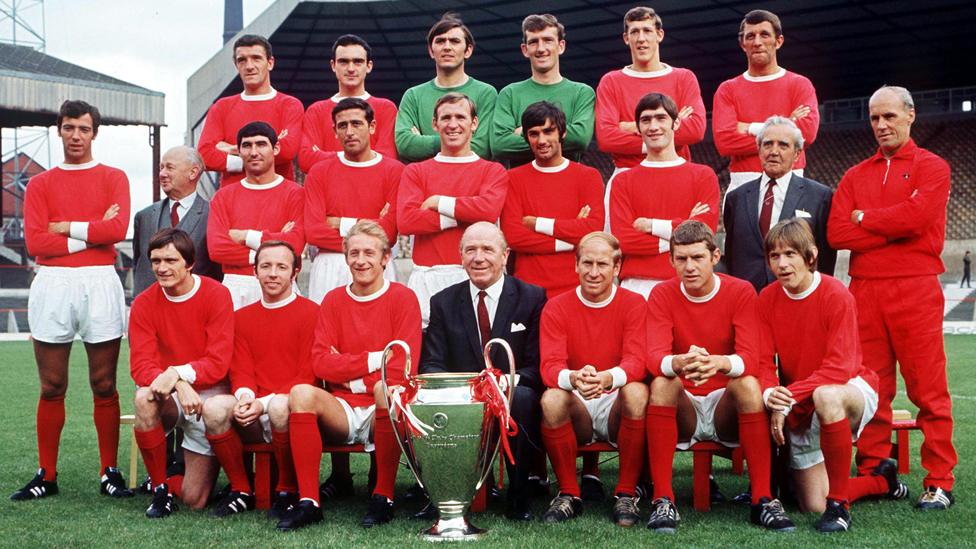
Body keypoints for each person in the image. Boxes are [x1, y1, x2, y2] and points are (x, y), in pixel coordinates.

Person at [828, 85, 957, 510]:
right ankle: (874, 469)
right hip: (863, 289)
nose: (881, 125)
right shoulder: (854, 175)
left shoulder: (932, 166)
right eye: (875, 118)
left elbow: (917, 219)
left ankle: (939, 479)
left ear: (910, 116)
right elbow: (836, 233)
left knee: (928, 389)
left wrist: (866, 219)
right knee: (871, 385)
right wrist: (891, 226)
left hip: (916, 285)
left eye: (889, 117)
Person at [14, 100, 133, 501]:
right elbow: (35, 243)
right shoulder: (41, 184)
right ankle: (46, 473)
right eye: (68, 128)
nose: (76, 136)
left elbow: (116, 229)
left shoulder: (114, 177)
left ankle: (109, 471)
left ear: (95, 132)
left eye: (83, 128)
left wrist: (64, 229)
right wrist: (91, 232)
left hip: (100, 280)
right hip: (53, 283)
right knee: (52, 385)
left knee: (103, 383)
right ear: (59, 131)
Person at [759, 219, 909, 533]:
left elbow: (840, 367)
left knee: (826, 394)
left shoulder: (835, 294)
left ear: (810, 256)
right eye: (774, 256)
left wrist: (789, 398)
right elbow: (761, 360)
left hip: (848, 390)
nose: (783, 263)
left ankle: (839, 506)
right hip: (800, 401)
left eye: (790, 254)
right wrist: (772, 392)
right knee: (812, 503)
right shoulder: (767, 298)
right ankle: (880, 481)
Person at [645, 220, 793, 533]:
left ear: (715, 256)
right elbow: (653, 358)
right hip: (683, 406)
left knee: (748, 383)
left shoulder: (739, 291)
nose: (689, 266)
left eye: (698, 257)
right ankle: (662, 500)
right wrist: (683, 361)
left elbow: (752, 357)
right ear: (671, 260)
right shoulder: (661, 293)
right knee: (661, 382)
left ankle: (763, 499)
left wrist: (718, 364)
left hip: (726, 406)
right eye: (681, 259)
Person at [278, 220, 422, 531]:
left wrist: (347, 371)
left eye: (369, 253)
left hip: (382, 406)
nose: (361, 260)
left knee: (386, 388)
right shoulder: (332, 300)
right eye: (353, 253)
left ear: (385, 258)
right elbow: (320, 364)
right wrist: (373, 359)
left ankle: (383, 495)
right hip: (342, 407)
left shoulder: (403, 298)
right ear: (345, 258)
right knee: (301, 393)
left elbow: (400, 368)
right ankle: (309, 501)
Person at [421, 222, 547, 521]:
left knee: (524, 398)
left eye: (488, 249)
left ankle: (519, 495)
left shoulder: (532, 297)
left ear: (505, 256)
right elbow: (432, 364)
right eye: (470, 250)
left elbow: (537, 363)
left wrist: (500, 383)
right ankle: (442, 491)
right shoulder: (443, 302)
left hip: (511, 391)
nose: (479, 258)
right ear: (460, 256)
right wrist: (464, 389)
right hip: (463, 397)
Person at [201, 240, 318, 519]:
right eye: (265, 266)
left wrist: (261, 403)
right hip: (254, 407)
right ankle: (241, 489)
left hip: (289, 409)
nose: (273, 273)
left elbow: (306, 376)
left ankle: (286, 489)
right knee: (215, 408)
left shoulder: (312, 312)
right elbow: (240, 370)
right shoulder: (241, 317)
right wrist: (244, 399)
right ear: (255, 272)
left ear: (295, 272)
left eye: (281, 267)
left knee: (279, 405)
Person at [538, 232, 648, 527]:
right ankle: (569, 494)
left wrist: (609, 377)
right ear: (576, 265)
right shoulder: (556, 306)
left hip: (615, 399)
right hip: (579, 400)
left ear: (617, 267)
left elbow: (637, 361)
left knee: (638, 392)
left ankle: (626, 492)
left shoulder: (634, 303)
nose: (594, 272)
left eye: (602, 264)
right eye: (587, 263)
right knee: (550, 398)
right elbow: (549, 366)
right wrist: (573, 377)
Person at [128, 228, 235, 518]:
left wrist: (177, 372)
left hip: (211, 396)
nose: (162, 268)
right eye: (156, 260)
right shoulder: (143, 303)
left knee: (194, 500)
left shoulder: (217, 294)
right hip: (173, 394)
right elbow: (140, 366)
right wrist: (178, 383)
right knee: (143, 398)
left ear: (189, 263)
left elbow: (218, 362)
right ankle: (160, 490)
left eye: (171, 260)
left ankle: (204, 477)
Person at [397, 93, 508, 326]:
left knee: (475, 355)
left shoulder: (492, 170)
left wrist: (439, 202)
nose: (453, 124)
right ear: (435, 124)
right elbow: (407, 221)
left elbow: (488, 211)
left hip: (473, 275)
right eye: (446, 117)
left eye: (461, 117)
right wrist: (465, 215)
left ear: (474, 123)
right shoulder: (416, 171)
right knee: (429, 356)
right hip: (427, 276)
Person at [596, 7, 706, 229]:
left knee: (678, 245)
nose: (641, 39)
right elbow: (606, 138)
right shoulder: (611, 81)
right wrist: (667, 133)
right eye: (634, 32)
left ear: (660, 35)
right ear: (626, 38)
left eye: (647, 30)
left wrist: (627, 127)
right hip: (626, 177)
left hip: (675, 172)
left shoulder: (683, 78)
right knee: (622, 246)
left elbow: (696, 129)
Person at [609, 93, 719, 299]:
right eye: (646, 120)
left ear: (676, 123)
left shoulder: (703, 175)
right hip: (637, 286)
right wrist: (684, 226)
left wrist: (651, 226)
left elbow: (704, 234)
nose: (653, 126)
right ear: (638, 127)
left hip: (687, 282)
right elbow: (624, 239)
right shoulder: (623, 181)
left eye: (661, 118)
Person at [712, 10, 819, 197]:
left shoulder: (799, 84)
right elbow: (724, 142)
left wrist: (749, 127)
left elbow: (807, 133)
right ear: (742, 44)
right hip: (742, 182)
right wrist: (787, 126)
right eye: (750, 36)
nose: (757, 42)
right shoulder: (727, 89)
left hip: (791, 179)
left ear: (778, 41)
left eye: (764, 35)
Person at [305, 98, 401, 304]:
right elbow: (313, 231)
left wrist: (338, 223)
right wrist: (373, 223)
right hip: (330, 265)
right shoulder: (319, 172)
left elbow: (389, 233)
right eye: (342, 125)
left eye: (356, 123)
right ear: (334, 131)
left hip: (376, 262)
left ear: (372, 126)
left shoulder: (393, 171)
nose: (349, 131)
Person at [724, 116, 835, 293]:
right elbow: (731, 254)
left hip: (797, 297)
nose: (774, 151)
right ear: (759, 149)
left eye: (783, 145)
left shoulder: (820, 196)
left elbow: (826, 258)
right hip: (747, 297)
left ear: (797, 153)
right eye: (768, 144)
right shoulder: (735, 198)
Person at [207, 121, 305, 310]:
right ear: (239, 151)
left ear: (275, 148)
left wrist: (245, 237)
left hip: (281, 284)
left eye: (261, 144)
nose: (253, 152)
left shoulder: (295, 193)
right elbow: (217, 249)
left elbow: (295, 244)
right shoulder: (224, 196)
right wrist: (276, 244)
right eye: (246, 145)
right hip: (236, 287)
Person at [197, 34, 303, 188]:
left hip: (280, 200)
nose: (249, 66)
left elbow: (287, 151)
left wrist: (231, 149)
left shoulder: (289, 105)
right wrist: (263, 152)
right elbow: (204, 156)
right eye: (242, 60)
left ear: (270, 63)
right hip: (233, 203)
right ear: (236, 65)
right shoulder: (222, 107)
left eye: (256, 58)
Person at [490, 14, 595, 166]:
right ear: (525, 50)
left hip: (566, 184)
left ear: (561, 46)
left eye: (548, 40)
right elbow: (499, 145)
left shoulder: (582, 93)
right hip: (521, 186)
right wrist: (558, 135)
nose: (541, 48)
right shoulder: (510, 93)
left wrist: (523, 132)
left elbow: (580, 139)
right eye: (533, 42)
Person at [395, 13, 497, 161]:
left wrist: (426, 141)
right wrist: (458, 140)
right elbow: (404, 145)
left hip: (471, 180)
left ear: (468, 50)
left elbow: (482, 147)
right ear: (431, 50)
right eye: (440, 41)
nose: (447, 47)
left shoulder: (486, 93)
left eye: (454, 41)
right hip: (428, 180)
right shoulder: (413, 95)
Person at [298, 34, 398, 172]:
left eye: (357, 62)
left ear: (369, 66)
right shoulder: (316, 110)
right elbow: (306, 160)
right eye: (343, 62)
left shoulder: (386, 108)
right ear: (333, 65)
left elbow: (389, 160)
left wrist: (325, 156)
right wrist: (361, 155)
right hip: (331, 190)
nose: (351, 68)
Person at [133, 146, 221, 297]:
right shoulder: (144, 217)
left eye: (170, 167)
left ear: (193, 172)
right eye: (161, 168)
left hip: (195, 309)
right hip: (151, 311)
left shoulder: (214, 215)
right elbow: (138, 265)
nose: (162, 174)